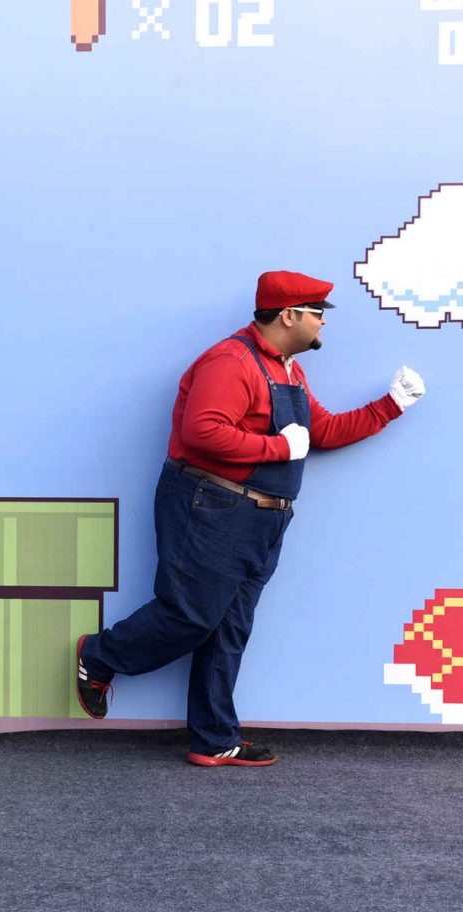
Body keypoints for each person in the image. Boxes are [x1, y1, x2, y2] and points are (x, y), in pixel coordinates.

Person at [76, 270, 425, 767]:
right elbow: (202, 432)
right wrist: (279, 447)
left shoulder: (288, 371)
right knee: (190, 616)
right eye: (318, 313)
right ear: (289, 316)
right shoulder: (230, 362)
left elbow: (322, 432)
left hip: (264, 518)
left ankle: (213, 737)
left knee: (230, 627)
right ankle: (99, 656)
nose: (324, 322)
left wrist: (391, 406)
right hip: (212, 507)